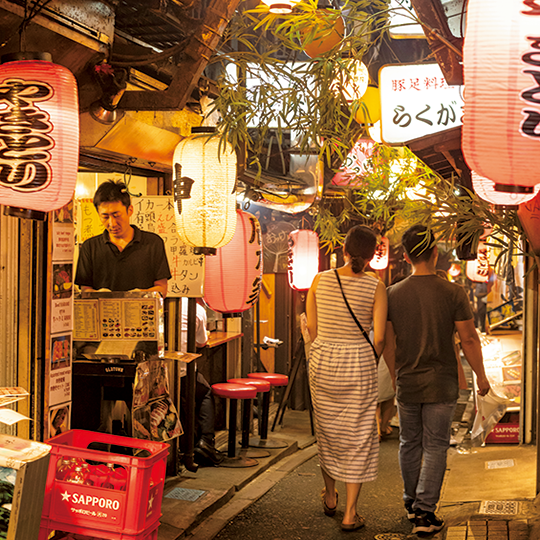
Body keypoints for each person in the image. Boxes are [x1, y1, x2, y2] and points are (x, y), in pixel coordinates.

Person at [384, 224, 491, 535]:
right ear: (434, 253)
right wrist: (480, 376)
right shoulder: (452, 292)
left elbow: (389, 343)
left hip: (407, 381)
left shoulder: (393, 294)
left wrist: (394, 376)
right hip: (441, 382)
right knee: (435, 446)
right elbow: (469, 338)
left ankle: (410, 502)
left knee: (409, 443)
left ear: (405, 256)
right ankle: (424, 513)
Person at [306, 225, 387, 532]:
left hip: (324, 361)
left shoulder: (320, 281)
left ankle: (330, 496)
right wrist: (367, 359)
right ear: (370, 256)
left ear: (344, 249)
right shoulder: (375, 285)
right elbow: (379, 338)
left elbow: (313, 330)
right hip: (359, 363)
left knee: (327, 431)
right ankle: (350, 513)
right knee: (358, 436)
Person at [75, 180, 171, 296]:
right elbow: (85, 290)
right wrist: (100, 294)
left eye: (117, 215)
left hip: (142, 312)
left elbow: (162, 289)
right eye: (105, 216)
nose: (112, 223)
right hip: (104, 312)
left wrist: (138, 294)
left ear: (130, 210)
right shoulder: (90, 247)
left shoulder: (153, 243)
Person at [179, 298, 223, 466]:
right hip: (184, 372)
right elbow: (201, 342)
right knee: (205, 391)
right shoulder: (196, 309)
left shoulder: (156, 303)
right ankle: (206, 442)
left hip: (154, 372)